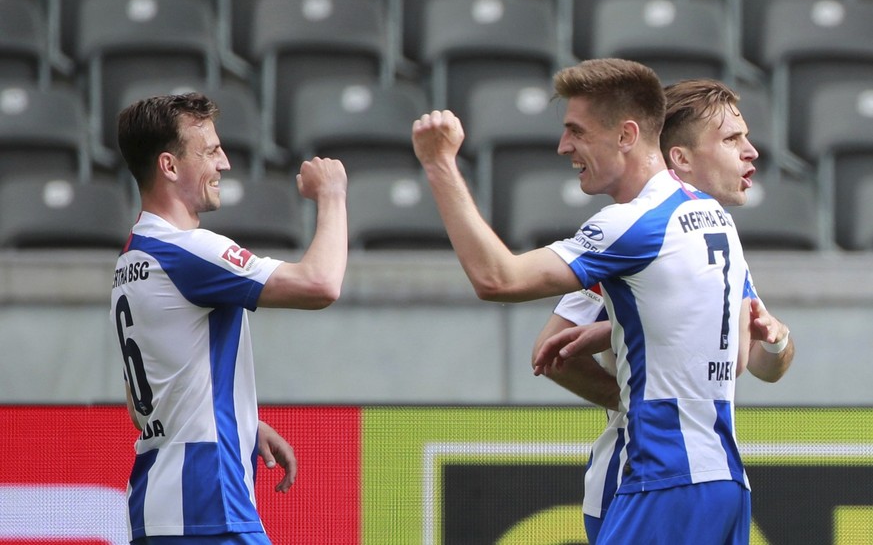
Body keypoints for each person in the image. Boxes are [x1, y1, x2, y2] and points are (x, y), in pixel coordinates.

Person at [412, 59, 754, 544]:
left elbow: (498, 279)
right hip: (724, 479)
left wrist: (439, 164)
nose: (563, 146)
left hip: (665, 481)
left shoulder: (632, 224)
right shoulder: (713, 216)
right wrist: (617, 334)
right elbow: (733, 355)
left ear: (626, 135)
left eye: (577, 131)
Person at [530, 78, 796, 543]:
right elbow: (551, 352)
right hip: (638, 475)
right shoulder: (633, 232)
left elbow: (757, 365)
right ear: (680, 158)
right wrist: (636, 403)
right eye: (732, 139)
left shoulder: (716, 233)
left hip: (699, 470)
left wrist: (776, 339)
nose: (752, 151)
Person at [110, 93, 348, 544]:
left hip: (156, 506)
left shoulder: (132, 258)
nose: (224, 164)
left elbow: (142, 402)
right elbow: (321, 284)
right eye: (210, 151)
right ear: (169, 166)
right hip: (208, 500)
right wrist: (332, 196)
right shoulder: (189, 251)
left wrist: (241, 421)